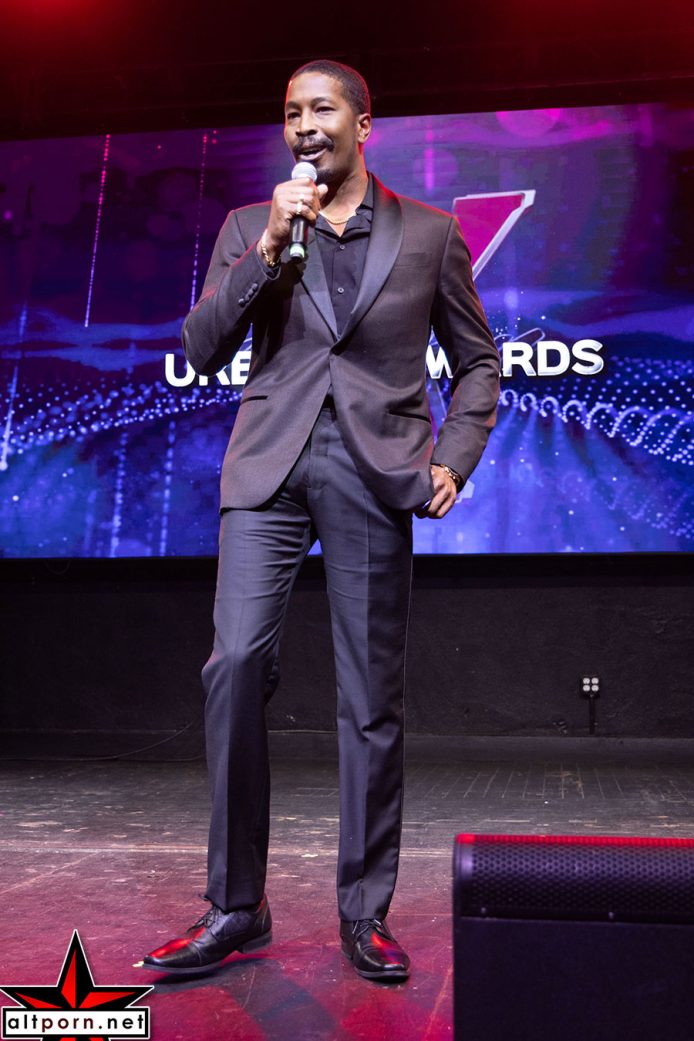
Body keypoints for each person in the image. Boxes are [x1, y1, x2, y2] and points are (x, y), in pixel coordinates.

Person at [139, 59, 499, 982]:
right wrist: (268, 246)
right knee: (233, 667)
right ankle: (236, 905)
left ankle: (364, 909)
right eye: (292, 111)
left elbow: (478, 361)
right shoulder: (252, 227)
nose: (304, 124)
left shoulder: (430, 232)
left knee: (370, 696)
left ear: (363, 124)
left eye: (322, 108)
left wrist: (454, 456)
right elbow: (200, 345)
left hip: (376, 472)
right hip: (268, 467)